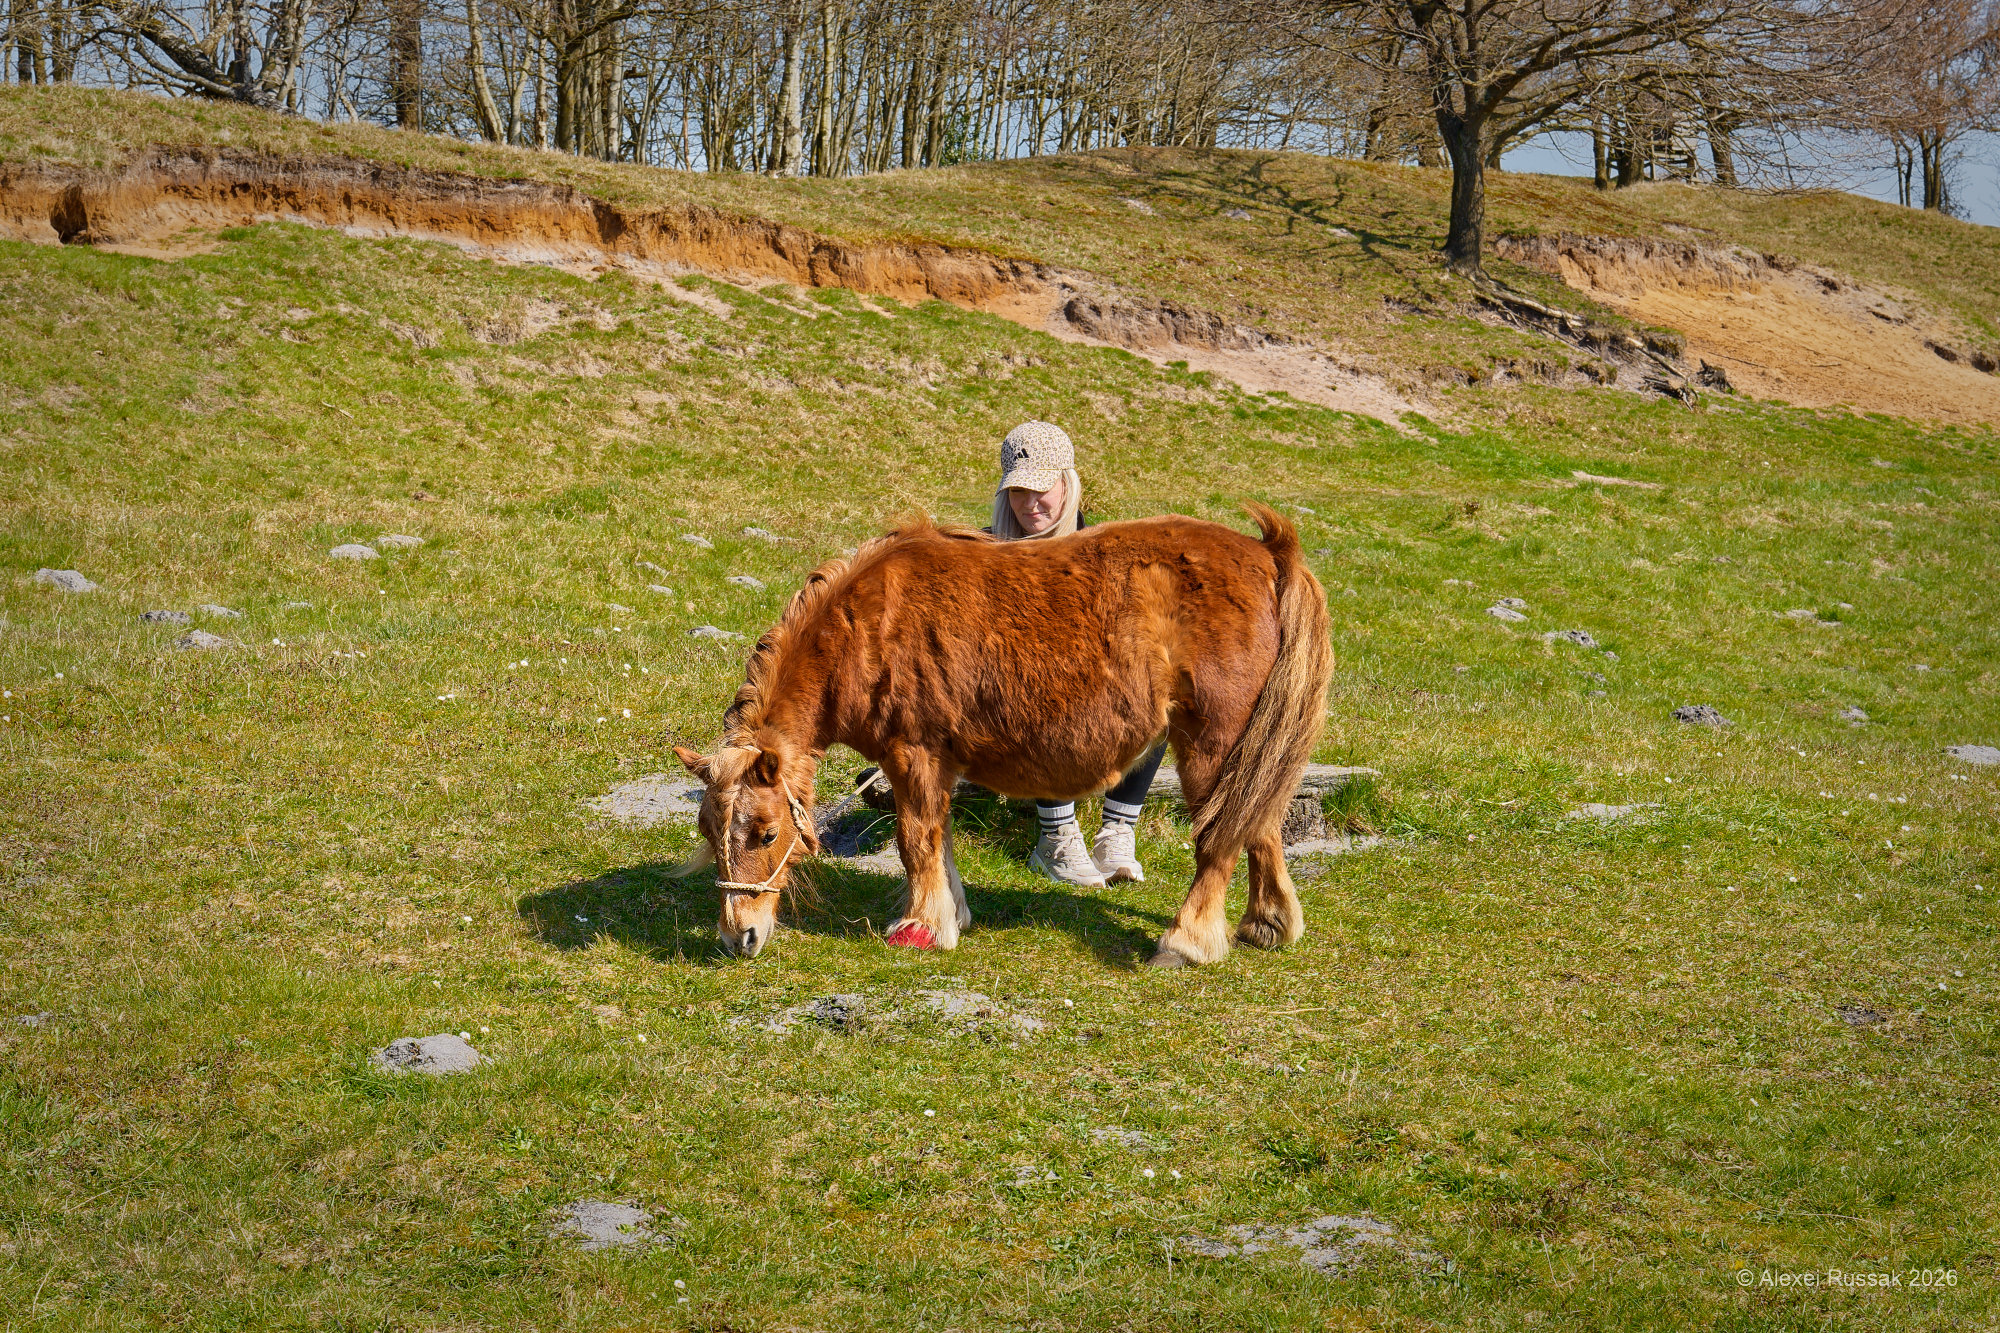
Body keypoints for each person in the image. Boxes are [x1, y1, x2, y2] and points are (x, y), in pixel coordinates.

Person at [986, 421, 1166, 889]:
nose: (1031, 505)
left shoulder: (1104, 552)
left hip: (1098, 685)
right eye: (1019, 492)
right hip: (1011, 701)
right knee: (1043, 691)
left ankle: (1117, 831)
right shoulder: (984, 554)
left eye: (1042, 490)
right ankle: (1056, 836)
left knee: (1160, 690)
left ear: (1068, 484)